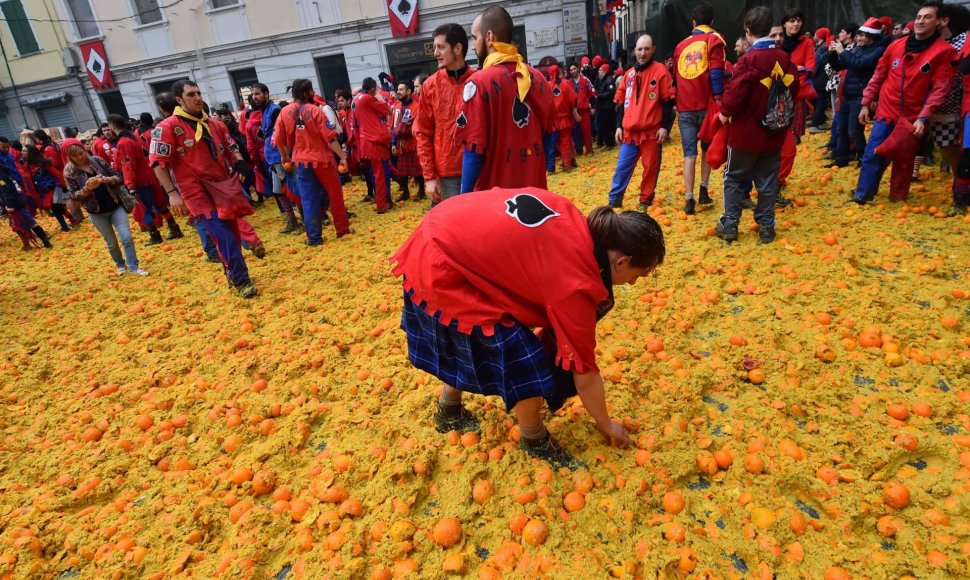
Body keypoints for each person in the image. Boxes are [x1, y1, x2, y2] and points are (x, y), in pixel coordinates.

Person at [391, 187, 665, 467]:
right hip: (441, 265)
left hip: (438, 234)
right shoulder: (576, 282)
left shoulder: (573, 218)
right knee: (525, 359)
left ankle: (448, 408)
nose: (631, 284)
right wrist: (607, 425)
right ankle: (534, 438)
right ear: (623, 262)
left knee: (483, 330)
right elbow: (584, 373)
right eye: (637, 276)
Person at [149, 80, 260, 298]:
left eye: (199, 93)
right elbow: (157, 163)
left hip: (223, 187)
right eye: (191, 94)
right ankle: (242, 280)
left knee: (232, 234)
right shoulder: (167, 127)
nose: (198, 97)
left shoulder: (215, 124)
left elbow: (231, 147)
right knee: (223, 234)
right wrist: (172, 194)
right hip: (195, 192)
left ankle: (231, 272)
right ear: (179, 100)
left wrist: (238, 161)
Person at [852, 2, 956, 204]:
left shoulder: (944, 52)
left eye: (927, 17)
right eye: (918, 17)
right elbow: (879, 74)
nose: (920, 21)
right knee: (873, 152)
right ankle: (862, 194)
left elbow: (940, 89)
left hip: (912, 116)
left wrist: (923, 117)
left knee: (904, 159)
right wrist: (866, 103)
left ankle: (898, 198)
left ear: (939, 22)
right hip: (885, 110)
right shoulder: (896, 45)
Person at [714, 6, 799, 244]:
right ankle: (766, 226)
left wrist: (724, 113)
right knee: (768, 180)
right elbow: (794, 89)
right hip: (774, 133)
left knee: (733, 177)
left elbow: (733, 96)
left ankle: (730, 225)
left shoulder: (747, 60)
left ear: (748, 31)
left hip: (745, 134)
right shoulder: (784, 59)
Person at [456, 6, 555, 193]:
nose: (474, 45)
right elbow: (549, 134)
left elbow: (473, 150)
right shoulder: (537, 77)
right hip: (534, 194)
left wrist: (464, 196)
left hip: (494, 201)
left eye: (475, 37)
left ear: (489, 37)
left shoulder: (477, 83)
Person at [275, 78, 351, 246]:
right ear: (306, 93)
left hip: (301, 162)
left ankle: (314, 237)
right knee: (335, 195)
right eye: (311, 91)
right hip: (323, 161)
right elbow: (331, 138)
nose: (314, 94)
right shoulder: (316, 111)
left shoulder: (284, 113)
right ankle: (342, 230)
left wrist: (285, 157)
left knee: (308, 199)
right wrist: (343, 157)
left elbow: (279, 140)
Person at [607, 35, 675, 210]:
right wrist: (618, 126)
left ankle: (645, 200)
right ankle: (615, 199)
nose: (642, 53)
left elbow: (668, 102)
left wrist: (665, 128)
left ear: (653, 49)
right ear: (634, 51)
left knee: (650, 168)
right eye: (639, 49)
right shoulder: (628, 74)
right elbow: (621, 103)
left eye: (646, 49)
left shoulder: (661, 71)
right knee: (622, 167)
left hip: (652, 131)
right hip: (629, 132)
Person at [414, 23, 476, 204]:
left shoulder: (479, 80)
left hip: (478, 168)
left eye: (440, 47)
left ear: (457, 48)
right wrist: (429, 176)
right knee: (451, 228)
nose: (435, 53)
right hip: (447, 174)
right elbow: (423, 132)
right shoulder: (430, 86)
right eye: (435, 48)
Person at [673, 2, 725, 214]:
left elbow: (677, 78)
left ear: (693, 23)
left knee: (689, 154)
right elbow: (716, 73)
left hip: (685, 107)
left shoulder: (680, 46)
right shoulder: (714, 39)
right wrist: (719, 98)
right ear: (712, 22)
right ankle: (703, 189)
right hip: (707, 106)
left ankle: (689, 199)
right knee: (706, 149)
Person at [64, 144, 146, 275]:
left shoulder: (97, 161)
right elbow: (73, 195)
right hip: (96, 213)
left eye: (81, 153)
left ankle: (133, 266)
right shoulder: (69, 171)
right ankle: (120, 264)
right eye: (75, 155)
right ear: (69, 157)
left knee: (127, 238)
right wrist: (87, 189)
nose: (79, 157)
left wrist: (107, 179)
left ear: (84, 151)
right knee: (112, 243)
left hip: (115, 206)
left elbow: (118, 176)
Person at [107, 114, 184, 245]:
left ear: (112, 126)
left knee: (145, 208)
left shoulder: (124, 142)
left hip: (140, 180)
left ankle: (155, 235)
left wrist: (130, 185)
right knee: (159, 204)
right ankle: (173, 227)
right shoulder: (134, 137)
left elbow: (128, 165)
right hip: (150, 175)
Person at [828, 19, 888, 168]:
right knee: (841, 129)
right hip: (847, 95)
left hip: (861, 97)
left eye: (861, 36)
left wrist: (843, 51)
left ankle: (863, 159)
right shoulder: (857, 48)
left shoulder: (878, 50)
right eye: (857, 35)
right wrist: (832, 54)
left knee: (854, 131)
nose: (857, 38)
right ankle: (842, 159)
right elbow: (840, 65)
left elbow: (858, 64)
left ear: (871, 36)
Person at [921, 3, 970, 180]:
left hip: (963, 105)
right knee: (947, 146)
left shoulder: (965, 42)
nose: (921, 21)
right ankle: (960, 184)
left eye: (928, 17)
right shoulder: (931, 43)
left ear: (943, 20)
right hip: (941, 106)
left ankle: (961, 186)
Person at [777, 8, 815, 202]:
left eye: (798, 20)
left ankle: (778, 180)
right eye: (791, 21)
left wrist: (791, 72)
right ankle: (771, 179)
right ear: (784, 23)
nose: (795, 24)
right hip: (775, 97)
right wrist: (794, 70)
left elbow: (809, 68)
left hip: (796, 94)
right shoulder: (778, 42)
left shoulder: (807, 43)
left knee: (791, 141)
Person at [252, 83, 300, 232]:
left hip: (280, 157)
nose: (255, 97)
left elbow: (283, 134)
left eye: (258, 94)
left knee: (294, 189)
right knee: (278, 191)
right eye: (253, 95)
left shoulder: (274, 111)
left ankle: (309, 219)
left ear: (266, 94)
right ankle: (292, 221)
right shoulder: (264, 111)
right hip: (272, 158)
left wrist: (286, 156)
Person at [354, 77, 394, 213]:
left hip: (366, 140)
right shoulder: (368, 98)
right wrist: (379, 97)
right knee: (381, 174)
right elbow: (387, 109)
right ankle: (383, 204)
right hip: (374, 141)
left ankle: (385, 200)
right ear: (372, 88)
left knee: (378, 173)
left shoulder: (357, 99)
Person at [0, 151, 51, 249]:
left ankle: (42, 242)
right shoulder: (8, 175)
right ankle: (36, 243)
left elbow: (6, 192)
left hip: (15, 204)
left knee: (24, 224)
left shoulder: (2, 179)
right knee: (25, 224)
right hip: (19, 201)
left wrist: (9, 206)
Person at [390, 81, 424, 201]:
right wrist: (393, 143)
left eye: (401, 90)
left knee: (417, 170)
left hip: (413, 143)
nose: (398, 92)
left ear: (409, 91)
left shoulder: (417, 106)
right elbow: (393, 127)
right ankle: (405, 192)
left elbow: (418, 125)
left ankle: (421, 191)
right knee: (402, 171)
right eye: (398, 90)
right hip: (400, 145)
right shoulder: (396, 107)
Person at [544, 65, 579, 173]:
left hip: (553, 122)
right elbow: (573, 98)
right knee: (565, 143)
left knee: (552, 145)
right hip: (565, 120)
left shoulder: (547, 86)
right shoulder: (565, 85)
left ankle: (550, 168)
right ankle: (567, 164)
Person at [808, 27, 834, 133]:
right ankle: (819, 122)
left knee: (821, 101)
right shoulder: (823, 47)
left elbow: (816, 65)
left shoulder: (821, 49)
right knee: (821, 101)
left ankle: (815, 124)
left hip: (820, 79)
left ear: (819, 37)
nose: (813, 37)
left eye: (815, 35)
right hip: (823, 79)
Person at [569, 62, 596, 156]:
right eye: (571, 70)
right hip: (574, 111)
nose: (573, 71)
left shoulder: (585, 80)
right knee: (576, 131)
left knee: (586, 130)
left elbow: (592, 93)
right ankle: (579, 149)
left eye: (574, 69)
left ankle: (589, 150)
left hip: (584, 110)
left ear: (578, 68)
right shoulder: (569, 82)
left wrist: (592, 106)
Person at [593, 63, 617, 149]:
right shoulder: (600, 79)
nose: (598, 72)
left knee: (607, 126)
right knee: (601, 125)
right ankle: (604, 142)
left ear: (604, 71)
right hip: (602, 106)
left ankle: (610, 143)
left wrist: (600, 95)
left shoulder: (609, 80)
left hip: (607, 107)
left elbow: (611, 92)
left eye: (600, 70)